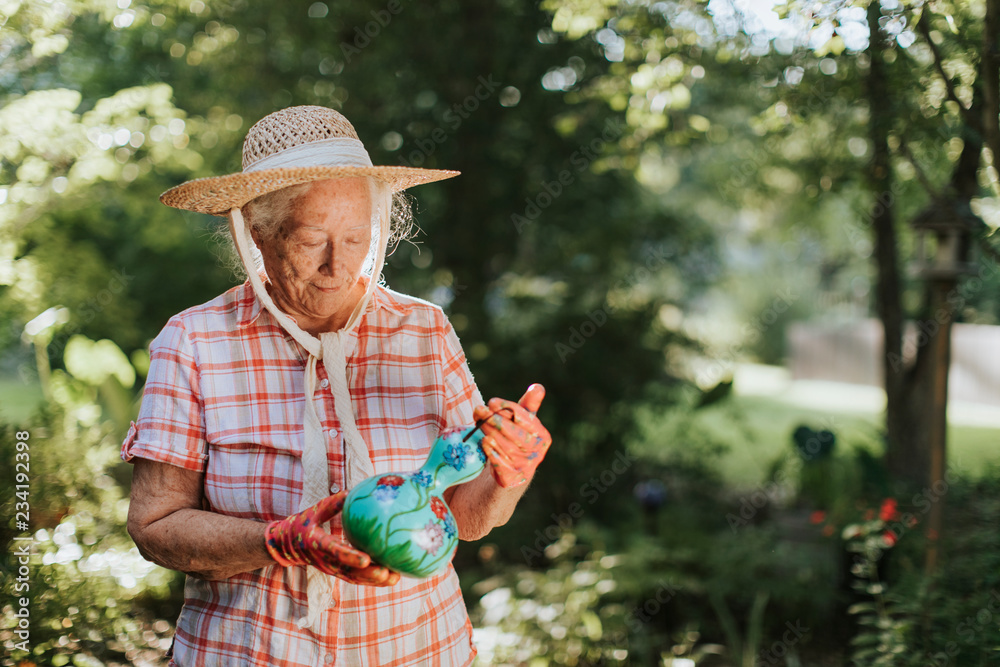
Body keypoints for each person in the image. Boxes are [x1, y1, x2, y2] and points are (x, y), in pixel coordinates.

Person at [121, 105, 552, 666]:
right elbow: (155, 527)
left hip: (417, 650)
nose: (337, 266)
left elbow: (466, 517)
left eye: (356, 238)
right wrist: (280, 540)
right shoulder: (195, 341)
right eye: (310, 241)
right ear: (258, 232)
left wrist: (507, 472)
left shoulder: (422, 329)